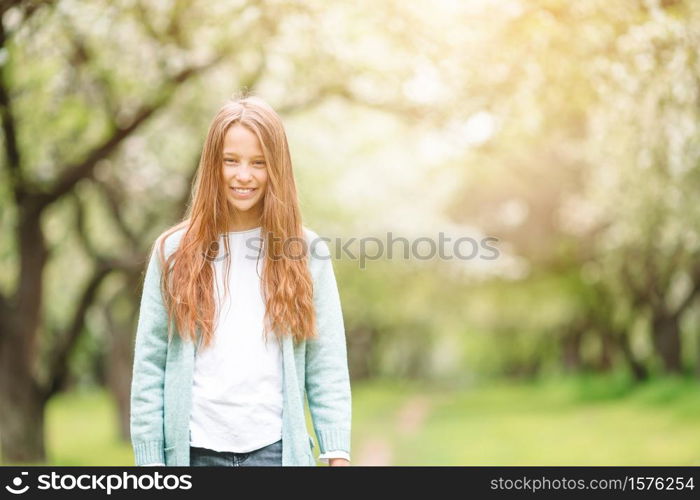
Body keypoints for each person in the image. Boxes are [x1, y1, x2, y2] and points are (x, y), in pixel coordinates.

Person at [129, 93, 352, 467]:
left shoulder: (306, 251)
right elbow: (150, 364)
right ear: (212, 165)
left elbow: (326, 362)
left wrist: (336, 452)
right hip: (194, 454)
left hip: (276, 452)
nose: (243, 175)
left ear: (276, 168)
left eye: (258, 163)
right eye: (230, 161)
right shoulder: (172, 251)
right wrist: (150, 461)